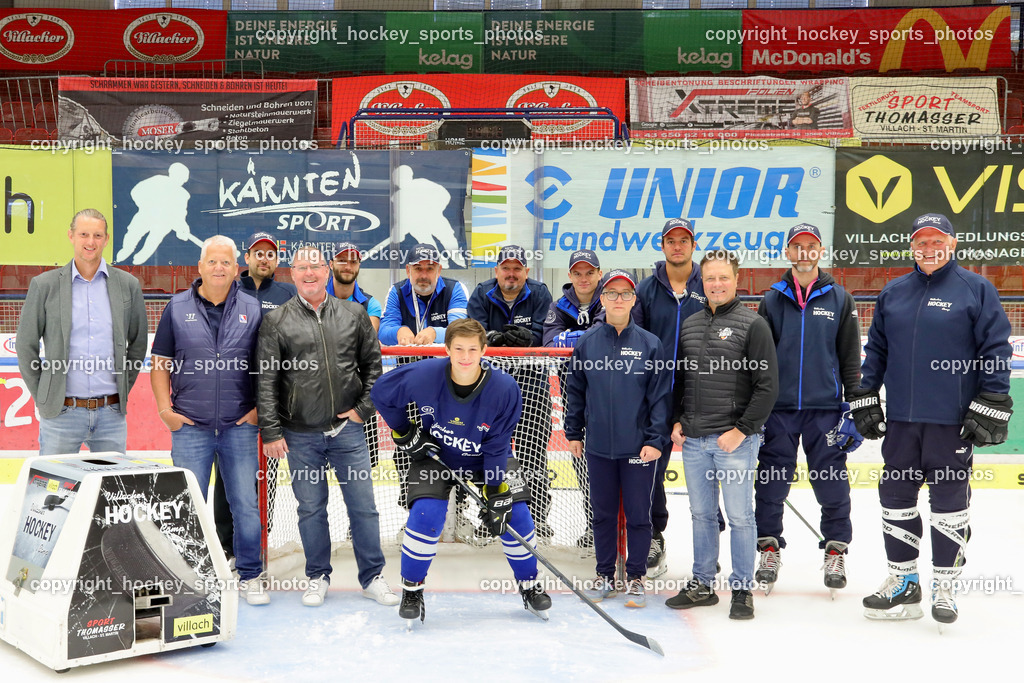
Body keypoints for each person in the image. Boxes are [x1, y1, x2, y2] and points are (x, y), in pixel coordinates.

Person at [851, 213, 1012, 625]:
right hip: (902, 422)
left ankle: (945, 586)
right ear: (912, 247)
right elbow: (878, 352)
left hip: (950, 423)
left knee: (949, 504)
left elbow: (995, 348)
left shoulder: (976, 289)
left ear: (953, 245)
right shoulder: (894, 292)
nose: (928, 248)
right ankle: (904, 583)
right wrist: (866, 395)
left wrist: (992, 398)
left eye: (936, 241)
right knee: (896, 500)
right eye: (920, 242)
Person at [369, 318, 551, 624]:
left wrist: (496, 490)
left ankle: (530, 585)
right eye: (458, 349)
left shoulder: (504, 388)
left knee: (516, 515)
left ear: (483, 350)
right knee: (426, 514)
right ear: (447, 349)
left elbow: (497, 445)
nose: (465, 356)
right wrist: (403, 430)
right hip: (436, 455)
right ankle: (412, 590)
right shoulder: (425, 374)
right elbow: (381, 392)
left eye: (472, 349)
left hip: (488, 458)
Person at [255, 247, 398, 608]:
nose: (309, 273)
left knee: (363, 507)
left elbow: (374, 370)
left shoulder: (354, 314)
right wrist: (271, 431)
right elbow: (267, 380)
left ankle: (372, 577)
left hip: (347, 432)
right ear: (292, 272)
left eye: (315, 266)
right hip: (300, 434)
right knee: (311, 509)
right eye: (301, 267)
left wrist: (362, 409)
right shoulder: (276, 322)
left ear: (327, 270)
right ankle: (317, 576)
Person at [150, 235, 267, 606]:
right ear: (200, 267)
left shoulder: (253, 307)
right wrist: (164, 411)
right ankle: (189, 575)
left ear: (237, 269)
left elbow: (267, 368)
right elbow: (160, 363)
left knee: (245, 505)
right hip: (191, 429)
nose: (219, 267)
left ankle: (251, 573)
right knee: (186, 506)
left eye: (226, 262)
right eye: (212, 261)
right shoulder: (176, 306)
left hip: (239, 427)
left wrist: (257, 412)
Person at [665, 250, 778, 620]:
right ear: (702, 281)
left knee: (740, 516)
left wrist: (741, 431)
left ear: (736, 279)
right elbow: (682, 380)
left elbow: (767, 388)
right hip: (695, 439)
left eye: (723, 278)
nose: (716, 284)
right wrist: (678, 419)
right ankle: (702, 583)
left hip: (734, 442)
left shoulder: (753, 324)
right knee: (701, 514)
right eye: (710, 278)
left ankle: (742, 588)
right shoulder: (692, 323)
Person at [754, 224, 863, 595]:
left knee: (831, 482)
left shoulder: (840, 299)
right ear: (788, 252)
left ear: (820, 251)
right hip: (778, 410)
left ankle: (835, 550)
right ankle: (768, 548)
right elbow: (759, 360)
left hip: (826, 409)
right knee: (771, 481)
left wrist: (854, 409)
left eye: (811, 246)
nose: (804, 252)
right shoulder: (771, 300)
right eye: (797, 247)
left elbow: (850, 359)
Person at [564, 270, 671, 609]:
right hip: (598, 447)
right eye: (612, 294)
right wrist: (573, 432)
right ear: (603, 299)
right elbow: (576, 393)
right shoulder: (587, 342)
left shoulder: (650, 344)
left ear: (634, 300)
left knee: (640, 515)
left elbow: (659, 399)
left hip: (639, 447)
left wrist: (656, 439)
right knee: (603, 514)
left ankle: (637, 576)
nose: (619, 300)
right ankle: (605, 573)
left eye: (625, 294)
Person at [17, 208, 147, 455]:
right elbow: (25, 345)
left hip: (111, 415)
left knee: (110, 492)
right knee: (54, 491)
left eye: (98, 235)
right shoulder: (45, 285)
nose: (91, 242)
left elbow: (138, 344)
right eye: (84, 234)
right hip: (61, 414)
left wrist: (121, 389)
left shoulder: (128, 285)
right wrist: (46, 395)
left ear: (106, 239)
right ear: (71, 236)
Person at [211, 231, 296, 566]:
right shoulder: (230, 287)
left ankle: (259, 541)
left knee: (265, 473)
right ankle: (225, 545)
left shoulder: (287, 293)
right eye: (258, 253)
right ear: (246, 258)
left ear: (276, 260)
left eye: (270, 254)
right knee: (226, 474)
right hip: (231, 395)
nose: (264, 259)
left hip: (270, 399)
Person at [632, 218, 708, 578]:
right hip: (657, 392)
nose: (677, 246)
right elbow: (635, 339)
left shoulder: (708, 285)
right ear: (662, 246)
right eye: (671, 241)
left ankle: (709, 548)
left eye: (684, 240)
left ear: (694, 244)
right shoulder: (646, 289)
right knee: (651, 468)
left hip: (702, 391)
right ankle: (653, 535)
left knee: (708, 470)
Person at [467, 245, 555, 538]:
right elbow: (473, 332)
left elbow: (547, 332)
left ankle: (537, 516)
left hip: (532, 385)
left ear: (526, 272)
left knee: (533, 455)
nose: (511, 274)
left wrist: (528, 337)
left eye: (517, 268)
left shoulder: (540, 293)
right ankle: (488, 515)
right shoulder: (482, 293)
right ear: (497, 271)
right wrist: (491, 338)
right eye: (506, 268)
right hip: (489, 389)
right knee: (489, 454)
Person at [543, 249, 605, 548]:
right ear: (570, 276)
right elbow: (550, 342)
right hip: (573, 394)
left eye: (589, 272)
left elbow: (605, 335)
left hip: (609, 394)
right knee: (580, 460)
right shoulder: (558, 306)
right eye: (578, 273)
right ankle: (593, 526)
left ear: (598, 274)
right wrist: (586, 337)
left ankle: (608, 527)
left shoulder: (610, 298)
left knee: (606, 464)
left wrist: (572, 338)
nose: (584, 278)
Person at [378, 243, 468, 346]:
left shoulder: (454, 289)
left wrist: (435, 333)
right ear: (408, 270)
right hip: (406, 360)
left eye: (430, 268)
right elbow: (383, 332)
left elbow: (460, 331)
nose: (424, 276)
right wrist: (398, 332)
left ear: (438, 271)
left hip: (444, 360)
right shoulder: (397, 291)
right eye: (418, 268)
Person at [327, 242, 381, 333]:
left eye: (353, 262)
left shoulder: (370, 305)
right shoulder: (315, 300)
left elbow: (368, 340)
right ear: (331, 265)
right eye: (342, 261)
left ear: (359, 265)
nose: (348, 267)